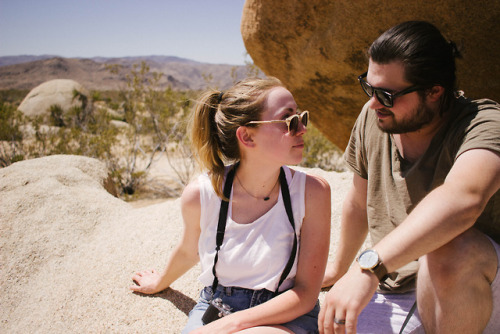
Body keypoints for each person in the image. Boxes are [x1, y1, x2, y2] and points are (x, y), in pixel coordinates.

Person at [319, 20, 500, 334]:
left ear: (434, 91)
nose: (373, 103)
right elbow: (359, 204)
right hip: (395, 286)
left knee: (447, 250)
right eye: (368, 87)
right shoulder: (372, 118)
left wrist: (369, 269)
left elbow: (463, 199)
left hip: (476, 284)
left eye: (387, 95)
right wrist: (338, 270)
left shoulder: (485, 124)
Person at [130, 77, 331, 333]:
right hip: (217, 305)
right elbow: (189, 250)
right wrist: (159, 282)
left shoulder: (312, 192)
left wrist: (228, 326)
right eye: (289, 121)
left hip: (285, 313)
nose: (302, 128)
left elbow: (305, 293)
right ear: (247, 136)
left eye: (302, 118)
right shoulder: (202, 194)